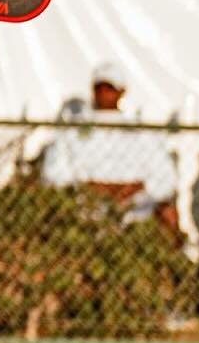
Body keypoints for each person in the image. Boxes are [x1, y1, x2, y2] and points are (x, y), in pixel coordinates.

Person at [40, 61, 178, 228]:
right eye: (100, 87)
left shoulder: (141, 131)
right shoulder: (74, 130)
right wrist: (91, 188)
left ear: (121, 91)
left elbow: (165, 176)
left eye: (109, 87)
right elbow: (55, 173)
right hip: (85, 203)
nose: (104, 92)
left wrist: (133, 188)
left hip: (135, 204)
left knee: (167, 213)